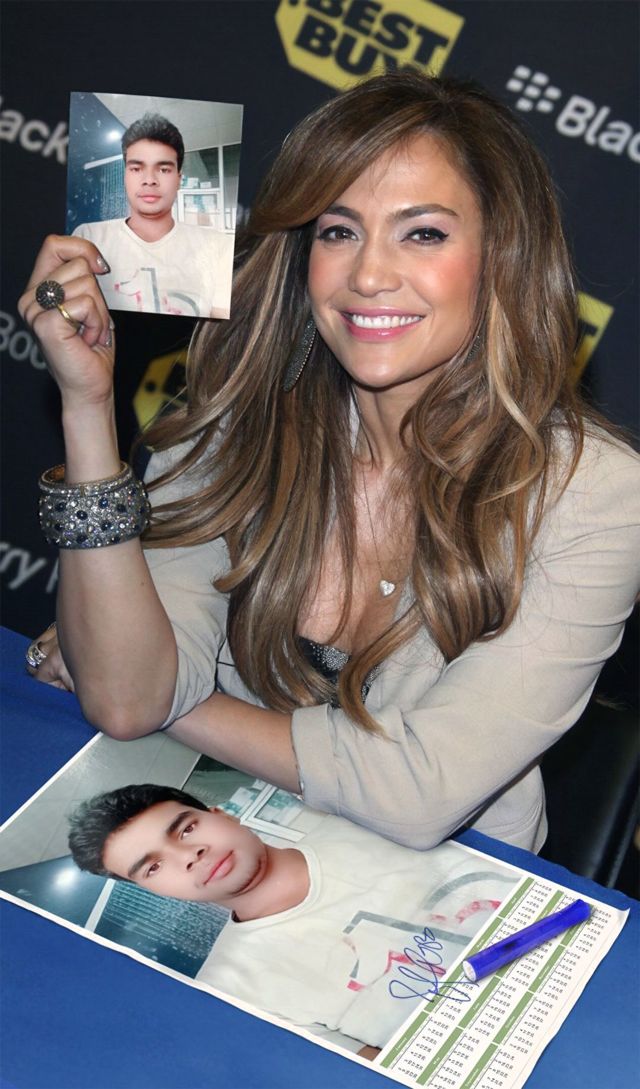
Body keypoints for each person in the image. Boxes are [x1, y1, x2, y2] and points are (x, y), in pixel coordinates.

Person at [19, 73, 640, 855]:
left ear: (501, 259)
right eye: (339, 231)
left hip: (434, 895)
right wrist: (86, 407)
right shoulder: (240, 416)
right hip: (208, 836)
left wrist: (164, 695)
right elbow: (125, 698)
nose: (368, 275)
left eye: (423, 234)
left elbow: (421, 791)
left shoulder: (595, 494)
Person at [68, 783, 516, 1056]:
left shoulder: (355, 815)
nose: (189, 854)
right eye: (153, 867)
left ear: (221, 814)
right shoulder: (231, 992)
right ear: (154, 892)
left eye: (186, 828)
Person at [72, 113, 234, 319]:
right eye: (136, 168)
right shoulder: (88, 238)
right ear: (125, 176)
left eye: (164, 169)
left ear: (179, 179)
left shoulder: (218, 248)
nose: (149, 180)